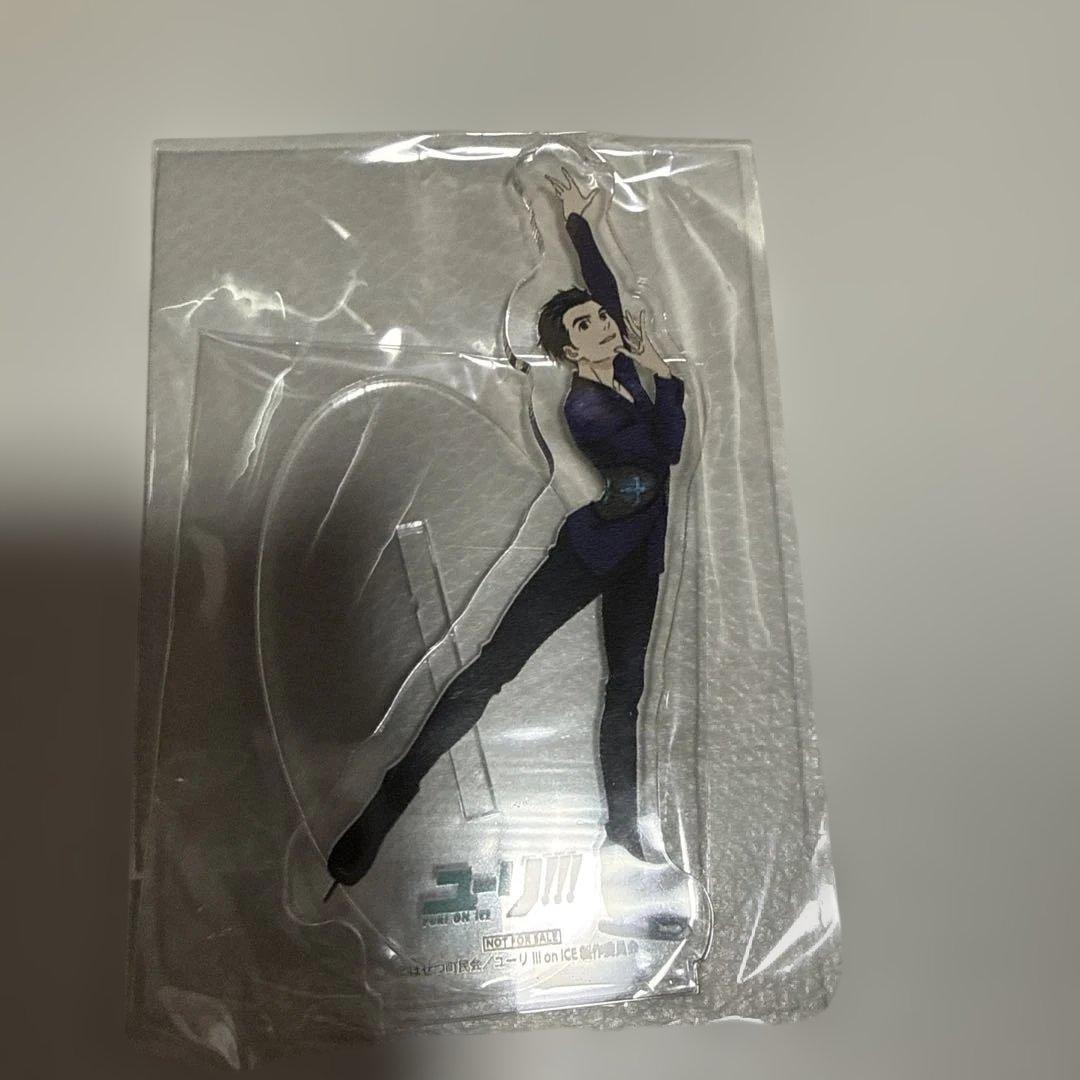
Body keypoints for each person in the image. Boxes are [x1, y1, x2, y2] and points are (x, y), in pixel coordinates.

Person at [327, 167, 686, 894]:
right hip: (591, 552)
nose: (604, 325)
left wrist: (578, 223)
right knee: (494, 668)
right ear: (569, 352)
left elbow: (604, 293)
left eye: (603, 319)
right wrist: (666, 380)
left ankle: (623, 830)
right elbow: (663, 454)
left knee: (627, 689)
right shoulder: (587, 405)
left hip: (640, 557)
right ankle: (393, 795)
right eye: (586, 326)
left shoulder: (621, 369)